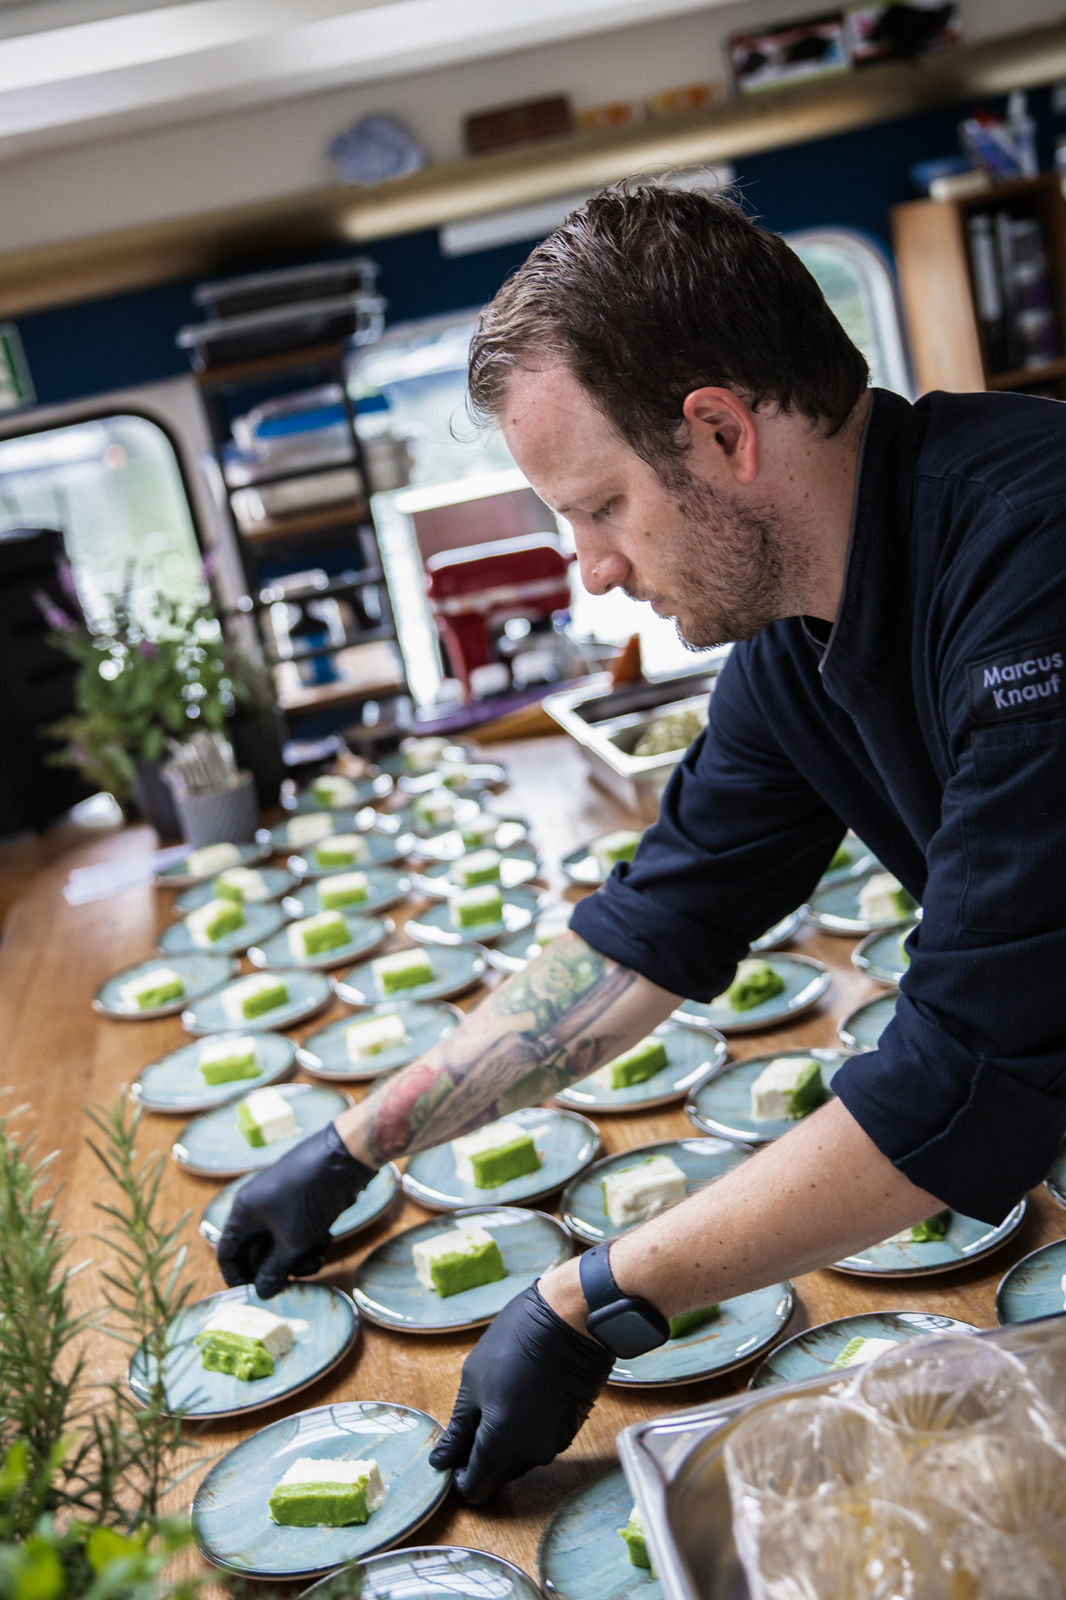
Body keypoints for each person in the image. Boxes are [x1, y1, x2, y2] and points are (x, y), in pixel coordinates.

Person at [218, 178, 1066, 1503]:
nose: (589, 569)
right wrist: (354, 1144)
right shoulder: (794, 640)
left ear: (719, 432)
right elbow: (646, 935)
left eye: (598, 506)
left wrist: (595, 1297)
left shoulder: (1034, 556)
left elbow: (973, 1074)